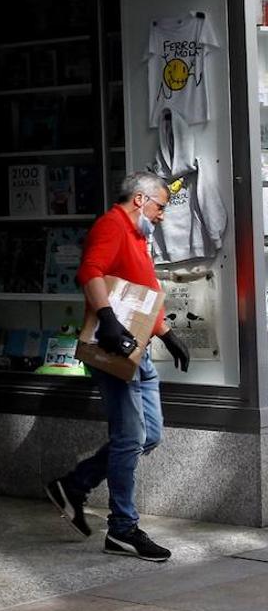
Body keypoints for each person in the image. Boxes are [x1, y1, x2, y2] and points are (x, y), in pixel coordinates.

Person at [46, 171, 190, 562]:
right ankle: (123, 528)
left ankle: (76, 485)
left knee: (149, 435)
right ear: (141, 200)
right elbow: (89, 272)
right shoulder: (111, 225)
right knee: (129, 438)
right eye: (161, 206)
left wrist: (165, 334)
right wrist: (107, 321)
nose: (162, 215)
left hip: (136, 351)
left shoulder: (138, 235)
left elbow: (140, 292)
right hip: (113, 350)